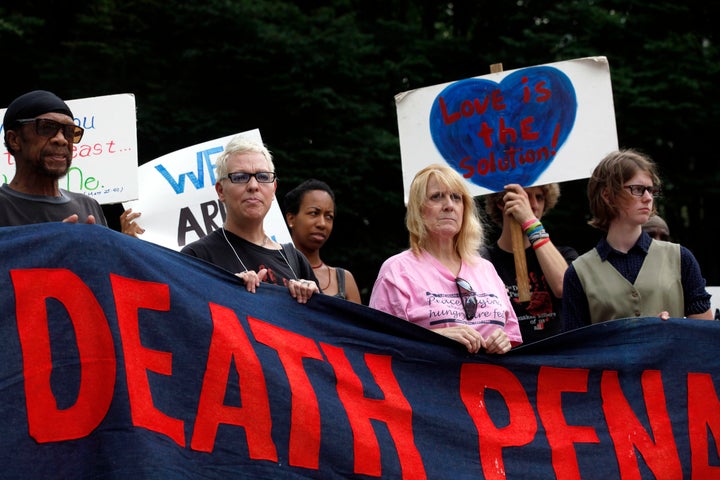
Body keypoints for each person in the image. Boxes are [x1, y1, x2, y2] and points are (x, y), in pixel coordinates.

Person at [369, 164, 522, 354]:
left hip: (491, 381)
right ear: (418, 209)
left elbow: (512, 337)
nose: (449, 205)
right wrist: (436, 337)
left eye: (456, 198)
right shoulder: (397, 270)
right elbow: (380, 343)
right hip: (427, 380)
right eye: (437, 196)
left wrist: (503, 341)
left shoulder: (486, 268)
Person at [561, 148, 713, 330]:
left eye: (651, 190)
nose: (648, 198)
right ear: (608, 196)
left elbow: (705, 338)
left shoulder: (681, 258)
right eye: (638, 190)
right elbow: (576, 352)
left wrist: (674, 329)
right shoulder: (578, 273)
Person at [181, 136, 319, 304]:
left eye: (263, 176)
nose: (253, 185)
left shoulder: (295, 260)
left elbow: (323, 327)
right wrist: (223, 291)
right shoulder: (197, 256)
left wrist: (315, 300)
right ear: (221, 191)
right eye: (240, 177)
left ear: (273, 189)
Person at [480, 183, 578, 344]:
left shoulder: (562, 254)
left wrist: (530, 222)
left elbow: (563, 287)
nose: (533, 204)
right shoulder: (483, 260)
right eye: (524, 196)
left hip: (557, 358)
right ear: (501, 201)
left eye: (539, 197)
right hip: (509, 361)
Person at [1, 90, 107, 226]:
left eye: (69, 132)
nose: (61, 139)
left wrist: (124, 243)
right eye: (47, 128)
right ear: (14, 140)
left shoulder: (89, 206)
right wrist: (54, 242)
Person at [283, 178, 362, 303]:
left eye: (329, 216)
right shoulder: (274, 270)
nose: (322, 224)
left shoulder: (344, 280)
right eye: (314, 213)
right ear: (291, 219)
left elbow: (357, 323)